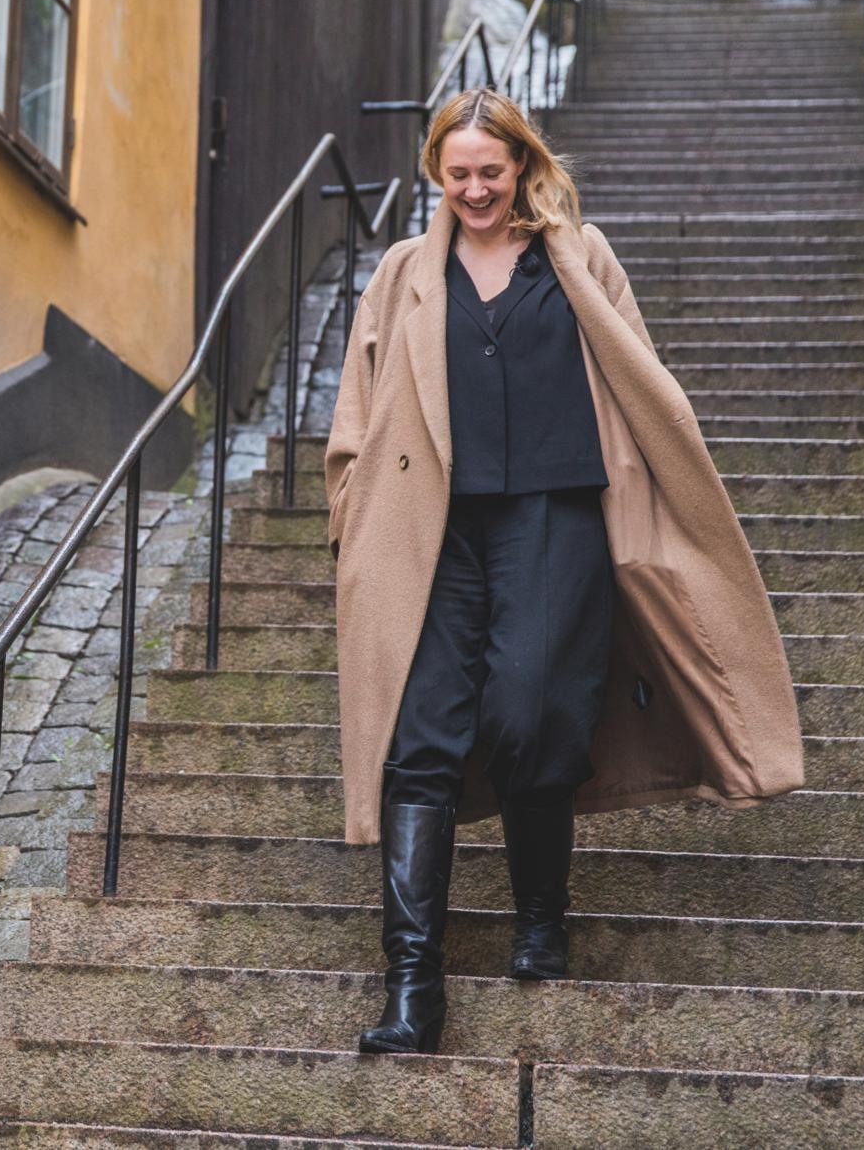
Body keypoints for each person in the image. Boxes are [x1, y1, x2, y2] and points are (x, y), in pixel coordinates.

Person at [321, 88, 807, 1057]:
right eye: (453, 174)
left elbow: (643, 387)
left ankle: (540, 912)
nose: (471, 190)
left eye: (487, 173)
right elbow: (356, 411)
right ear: (434, 172)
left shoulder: (580, 260)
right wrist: (350, 517)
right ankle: (411, 988)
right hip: (432, 532)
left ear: (521, 165)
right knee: (417, 737)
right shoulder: (402, 275)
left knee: (529, 710)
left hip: (556, 516)